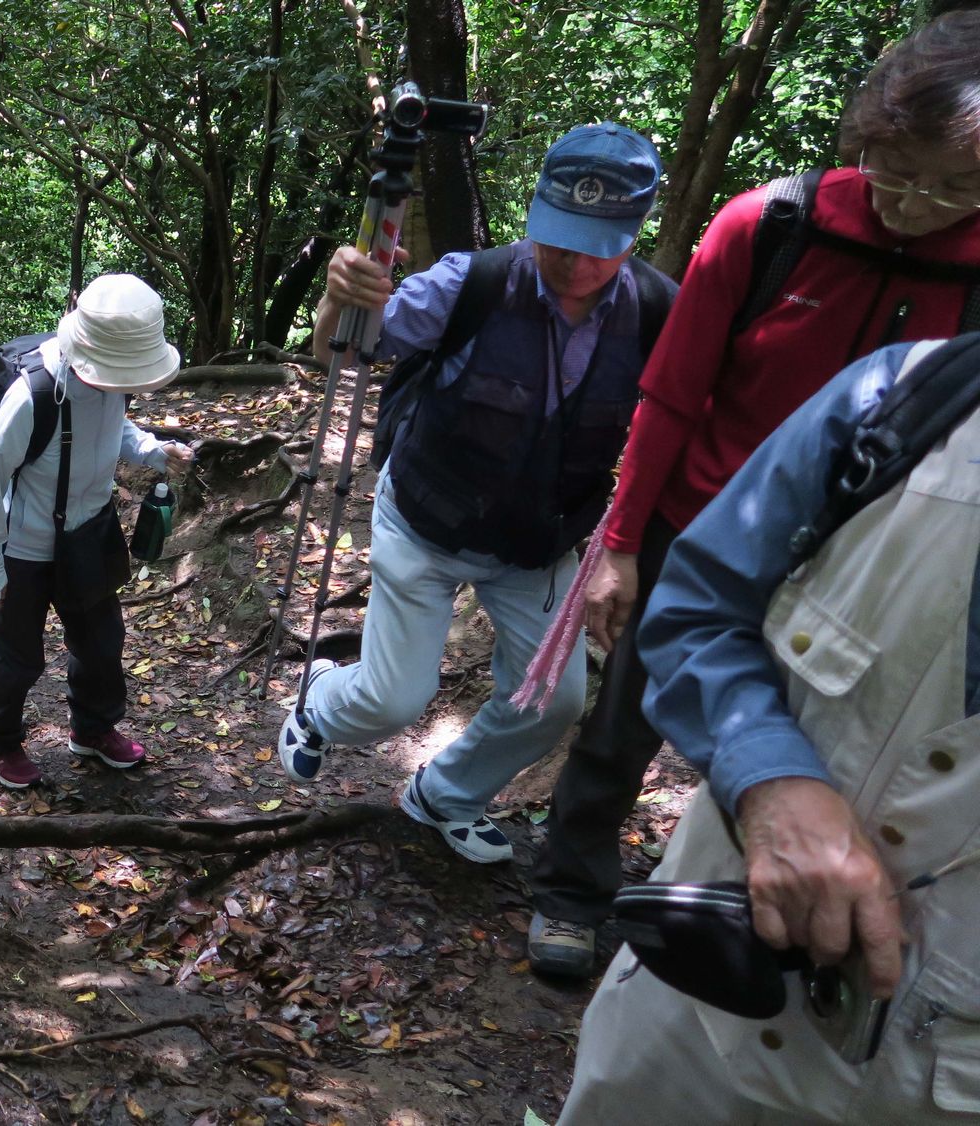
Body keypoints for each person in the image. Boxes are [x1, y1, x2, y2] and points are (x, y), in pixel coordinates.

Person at [525, 10, 980, 980]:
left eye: (955, 186)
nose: (916, 204)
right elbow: (669, 393)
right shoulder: (770, 225)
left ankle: (760, 921)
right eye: (897, 170)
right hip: (697, 526)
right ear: (866, 137)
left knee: (823, 756)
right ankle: (570, 889)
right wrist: (618, 543)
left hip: (868, 570)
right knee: (622, 722)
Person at [556, 333, 980, 1124]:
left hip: (935, 1087)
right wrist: (772, 781)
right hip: (696, 1000)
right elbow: (699, 600)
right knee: (603, 739)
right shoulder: (909, 394)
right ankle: (567, 889)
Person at [270, 124, 675, 863]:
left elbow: (681, 424)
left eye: (599, 246)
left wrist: (625, 546)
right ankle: (320, 702)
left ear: (633, 235)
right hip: (424, 520)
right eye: (560, 240)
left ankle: (445, 794)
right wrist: (340, 297)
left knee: (552, 701)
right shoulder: (473, 283)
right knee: (392, 701)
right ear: (537, 215)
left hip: (537, 544)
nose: (576, 264)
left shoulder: (657, 312)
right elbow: (345, 349)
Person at [0, 273, 195, 789]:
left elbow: (116, 428)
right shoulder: (33, 395)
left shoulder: (111, 381)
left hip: (89, 534)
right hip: (25, 548)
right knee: (17, 657)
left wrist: (155, 451)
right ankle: (0, 742)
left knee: (101, 644)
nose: (121, 385)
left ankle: (93, 730)